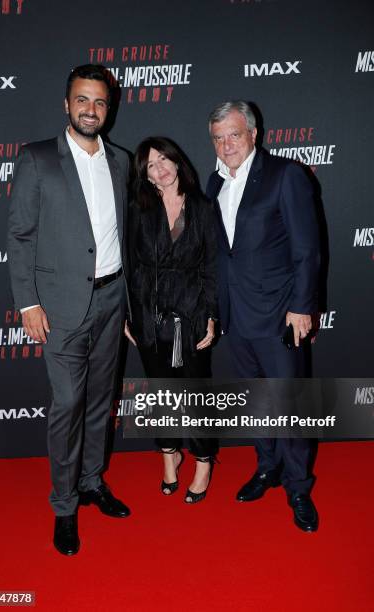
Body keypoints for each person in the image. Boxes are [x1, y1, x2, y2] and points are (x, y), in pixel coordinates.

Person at [8, 64, 131, 556]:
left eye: (99, 102)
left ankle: (91, 482)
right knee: (67, 407)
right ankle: (64, 506)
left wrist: (129, 303)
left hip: (112, 299)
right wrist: (27, 302)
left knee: (102, 401)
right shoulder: (37, 159)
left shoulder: (121, 161)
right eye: (83, 100)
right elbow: (19, 236)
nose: (91, 110)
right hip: (58, 307)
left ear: (109, 108)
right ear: (67, 104)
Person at [206, 101, 320, 531]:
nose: (226, 144)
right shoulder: (214, 182)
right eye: (218, 138)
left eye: (234, 134)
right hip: (236, 315)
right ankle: (267, 467)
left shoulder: (285, 175)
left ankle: (298, 486)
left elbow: (307, 249)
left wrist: (302, 306)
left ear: (255, 134)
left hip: (279, 315)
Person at [125, 137, 218, 503]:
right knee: (161, 392)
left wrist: (211, 316)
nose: (160, 167)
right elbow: (131, 266)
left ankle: (203, 463)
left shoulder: (203, 208)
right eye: (150, 164)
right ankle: (169, 456)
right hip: (149, 315)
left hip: (191, 314)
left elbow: (212, 267)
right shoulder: (139, 208)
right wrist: (128, 315)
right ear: (145, 175)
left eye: (164, 158)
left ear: (178, 162)